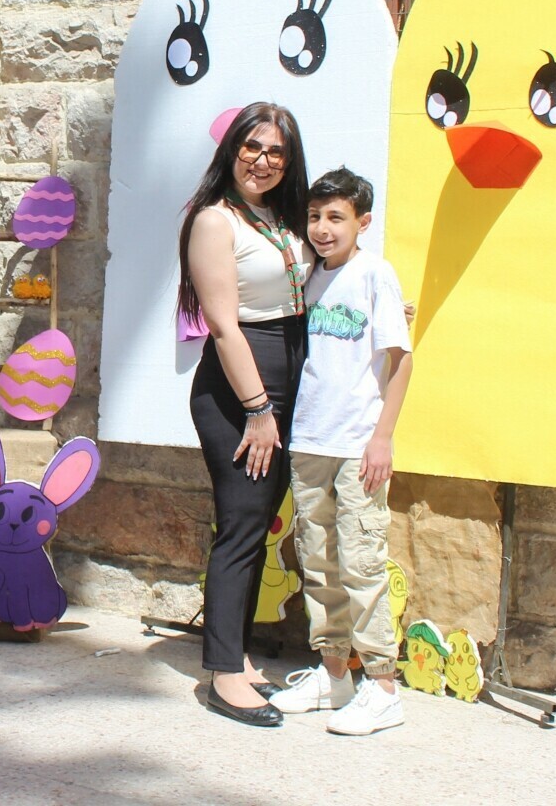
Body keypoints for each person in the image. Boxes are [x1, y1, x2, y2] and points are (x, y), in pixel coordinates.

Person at [178, 102, 311, 727]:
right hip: (240, 388)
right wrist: (258, 410)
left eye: (276, 152)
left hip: (287, 379)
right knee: (239, 526)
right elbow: (225, 325)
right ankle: (223, 674)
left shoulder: (279, 217)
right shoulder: (215, 220)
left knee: (260, 524)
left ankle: (240, 656)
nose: (263, 161)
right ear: (232, 149)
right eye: (252, 147)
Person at [268, 168, 415, 734]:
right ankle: (334, 674)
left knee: (361, 562)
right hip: (310, 441)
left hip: (358, 446)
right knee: (319, 563)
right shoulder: (312, 277)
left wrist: (382, 437)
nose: (323, 228)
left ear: (362, 222)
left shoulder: (375, 274)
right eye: (315, 217)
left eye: (336, 217)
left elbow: (400, 361)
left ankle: (382, 686)